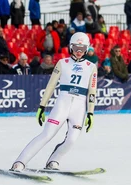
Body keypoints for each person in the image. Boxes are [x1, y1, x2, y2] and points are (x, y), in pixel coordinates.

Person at [10, 32, 97, 171]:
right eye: (75, 47)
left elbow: (92, 91)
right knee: (47, 134)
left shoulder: (91, 67)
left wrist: (90, 113)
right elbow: (51, 85)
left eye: (82, 48)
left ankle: (53, 161)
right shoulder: (63, 63)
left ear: (87, 49)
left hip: (79, 107)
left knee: (72, 139)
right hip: (63, 103)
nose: (79, 51)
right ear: (70, 47)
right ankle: (19, 162)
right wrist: (42, 106)